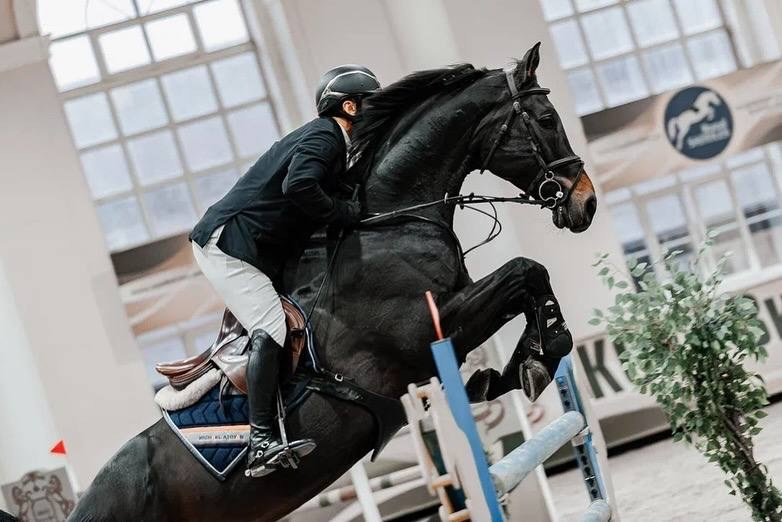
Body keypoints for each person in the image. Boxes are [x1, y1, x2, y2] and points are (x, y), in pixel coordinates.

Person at [189, 64, 381, 477]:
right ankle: (260, 440)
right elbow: (299, 186)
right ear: (349, 106)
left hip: (250, 245)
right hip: (229, 244)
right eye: (371, 104)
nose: (376, 112)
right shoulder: (327, 136)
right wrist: (344, 212)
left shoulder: (332, 143)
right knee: (272, 328)